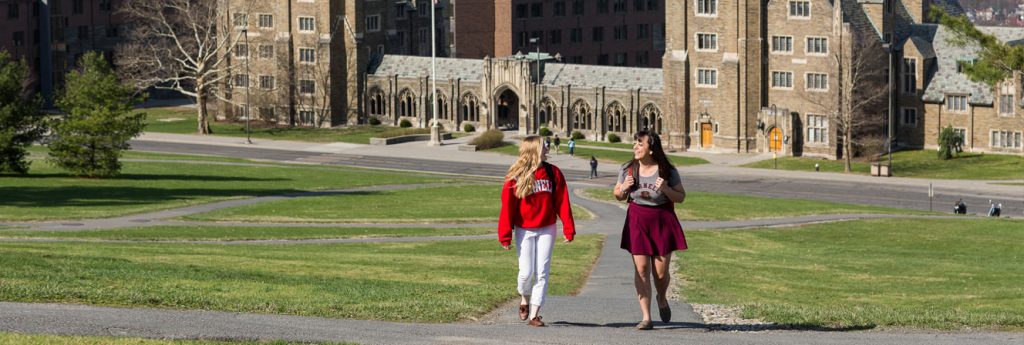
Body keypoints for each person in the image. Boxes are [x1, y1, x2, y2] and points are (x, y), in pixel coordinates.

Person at [498, 136, 576, 327]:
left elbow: (562, 201)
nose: (547, 148)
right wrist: (505, 234)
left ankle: (534, 314)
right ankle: (524, 298)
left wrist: (568, 228)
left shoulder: (553, 172)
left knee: (542, 272)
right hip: (524, 229)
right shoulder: (516, 175)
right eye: (543, 145)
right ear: (533, 149)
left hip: (547, 228)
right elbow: (507, 207)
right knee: (526, 273)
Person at [612, 130, 687, 330]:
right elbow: (617, 194)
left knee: (660, 274)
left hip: (662, 220)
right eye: (635, 143)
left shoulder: (667, 171)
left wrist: (666, 189)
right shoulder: (628, 169)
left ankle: (661, 297)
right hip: (637, 219)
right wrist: (624, 188)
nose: (634, 147)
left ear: (651, 149)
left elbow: (680, 197)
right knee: (641, 269)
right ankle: (646, 317)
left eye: (639, 144)